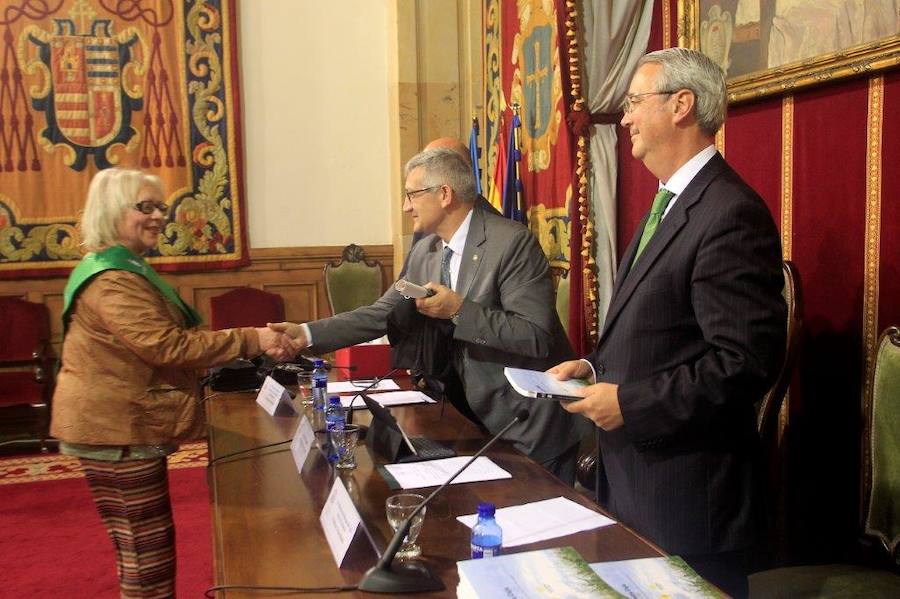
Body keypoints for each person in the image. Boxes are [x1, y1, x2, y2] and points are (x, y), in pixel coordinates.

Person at [549, 48, 786, 596]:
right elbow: (662, 331)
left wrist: (629, 403)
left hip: (689, 500)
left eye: (634, 102)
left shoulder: (728, 211)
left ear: (682, 105)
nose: (625, 116)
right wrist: (591, 367)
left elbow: (743, 362)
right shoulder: (671, 202)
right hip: (637, 483)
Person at [51, 168, 294, 598]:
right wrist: (252, 339)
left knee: (144, 547)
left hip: (119, 422)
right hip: (116, 427)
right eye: (145, 207)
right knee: (147, 555)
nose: (159, 216)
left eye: (161, 206)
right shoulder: (113, 279)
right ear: (111, 212)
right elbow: (164, 346)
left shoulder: (122, 269)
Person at [271, 148, 584, 482]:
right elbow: (381, 314)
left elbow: (534, 335)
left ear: (444, 194)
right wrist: (305, 334)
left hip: (526, 424)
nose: (406, 206)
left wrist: (460, 311)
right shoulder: (426, 250)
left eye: (412, 195)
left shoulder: (511, 243)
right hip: (466, 420)